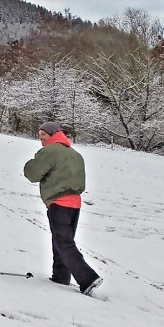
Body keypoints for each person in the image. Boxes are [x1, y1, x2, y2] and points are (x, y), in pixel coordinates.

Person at [23, 121, 103, 297]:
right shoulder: (75, 154)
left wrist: (29, 165)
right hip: (75, 203)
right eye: (39, 135)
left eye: (43, 134)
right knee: (62, 241)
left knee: (63, 243)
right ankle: (60, 277)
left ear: (53, 134)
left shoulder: (51, 151)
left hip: (59, 202)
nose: (41, 138)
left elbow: (33, 174)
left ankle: (88, 278)